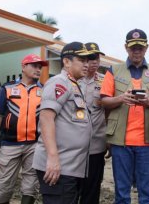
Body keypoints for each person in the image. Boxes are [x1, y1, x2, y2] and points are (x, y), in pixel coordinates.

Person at [101, 29, 149, 204]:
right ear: (126, 48)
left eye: (140, 48)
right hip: (121, 140)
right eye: (133, 48)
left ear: (146, 48)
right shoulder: (113, 70)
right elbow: (104, 100)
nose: (136, 51)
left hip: (148, 141)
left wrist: (148, 102)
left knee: (147, 192)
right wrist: (121, 98)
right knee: (121, 191)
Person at [32, 42, 92, 204]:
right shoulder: (59, 82)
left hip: (69, 167)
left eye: (88, 60)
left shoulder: (73, 84)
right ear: (66, 62)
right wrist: (52, 158)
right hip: (59, 166)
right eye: (82, 60)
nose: (87, 64)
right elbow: (46, 117)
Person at [0, 54, 48, 204]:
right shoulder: (7, 88)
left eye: (40, 67)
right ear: (23, 66)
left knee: (31, 185)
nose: (38, 70)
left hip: (34, 145)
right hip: (10, 144)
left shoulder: (44, 90)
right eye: (34, 66)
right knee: (3, 185)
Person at [78, 42, 106, 204]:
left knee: (93, 186)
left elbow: (109, 112)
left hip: (96, 144)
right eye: (90, 57)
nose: (95, 61)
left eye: (97, 57)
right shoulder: (72, 80)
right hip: (74, 146)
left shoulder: (105, 82)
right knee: (73, 186)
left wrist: (109, 138)